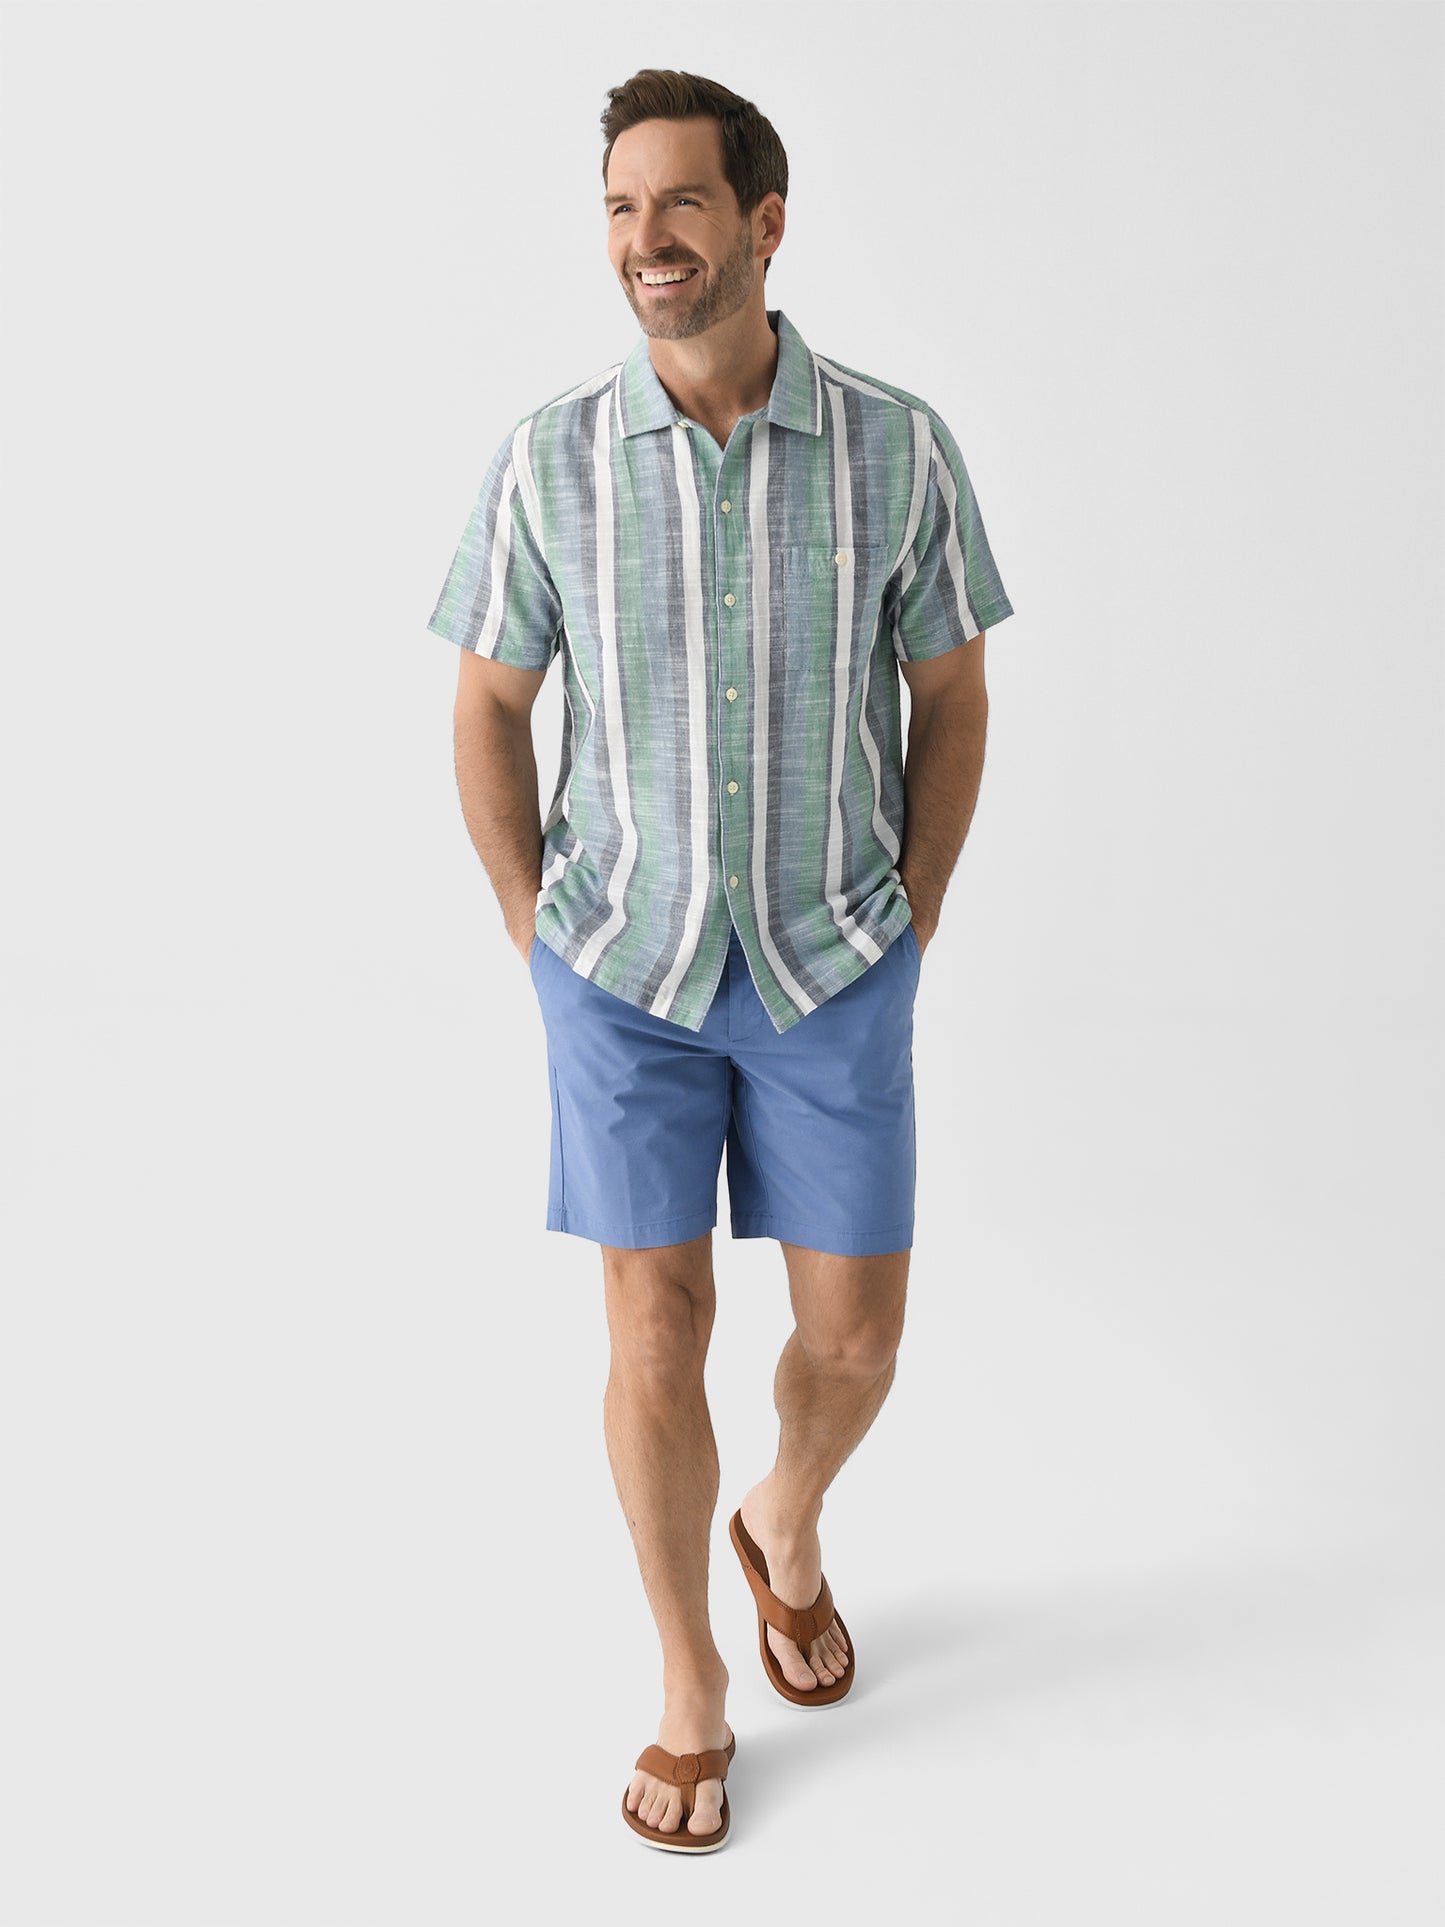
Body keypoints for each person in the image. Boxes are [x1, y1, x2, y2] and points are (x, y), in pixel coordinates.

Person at [426, 68, 1014, 1853]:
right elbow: (487, 703)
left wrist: (913, 906)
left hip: (834, 960)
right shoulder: (548, 459)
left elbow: (951, 690)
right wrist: (531, 927)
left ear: (763, 221)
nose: (644, 240)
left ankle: (784, 1515)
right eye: (619, 208)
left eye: (678, 202)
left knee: (855, 1340)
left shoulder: (898, 447)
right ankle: (690, 1682)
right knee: (652, 1321)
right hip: (625, 972)